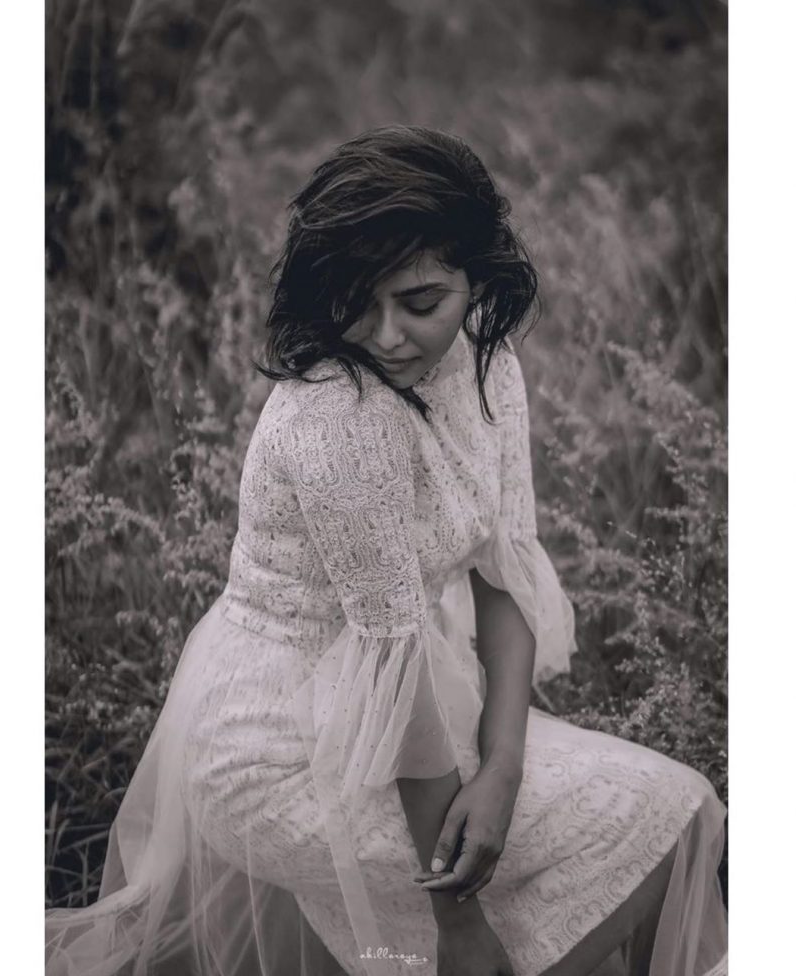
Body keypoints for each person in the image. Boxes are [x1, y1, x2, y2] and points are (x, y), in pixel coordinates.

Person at [45, 125, 728, 976]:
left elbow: (503, 574)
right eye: (356, 302)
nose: (385, 335)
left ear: (477, 279)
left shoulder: (488, 364)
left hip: (409, 704)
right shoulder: (339, 414)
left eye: (419, 302)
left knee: (665, 817)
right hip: (279, 743)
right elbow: (393, 672)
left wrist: (503, 767)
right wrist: (456, 919)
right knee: (670, 817)